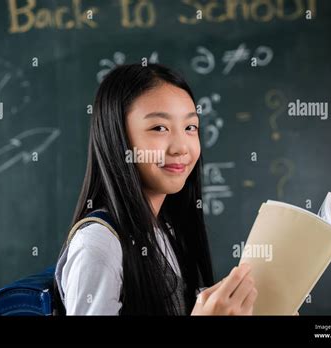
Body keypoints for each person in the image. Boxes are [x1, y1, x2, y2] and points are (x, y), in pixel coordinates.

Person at [53, 63, 258, 315]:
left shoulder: (163, 229)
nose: (181, 147)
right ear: (117, 138)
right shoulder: (98, 243)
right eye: (159, 128)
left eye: (190, 127)